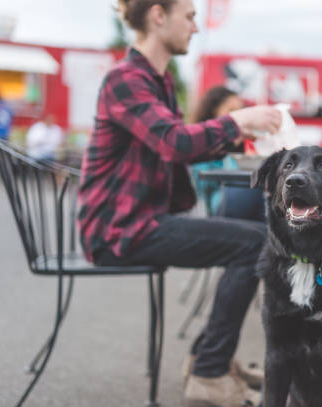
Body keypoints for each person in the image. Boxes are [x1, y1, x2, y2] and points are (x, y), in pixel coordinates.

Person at [76, 1, 281, 406]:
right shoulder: (124, 79)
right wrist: (240, 120)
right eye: (188, 16)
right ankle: (209, 369)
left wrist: (236, 143)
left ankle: (208, 359)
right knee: (258, 243)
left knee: (258, 238)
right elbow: (174, 142)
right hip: (117, 230)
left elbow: (174, 145)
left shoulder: (157, 80)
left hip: (140, 221)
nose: (195, 27)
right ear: (158, 15)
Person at [190, 85, 266, 221]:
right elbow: (200, 182)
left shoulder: (242, 146)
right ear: (213, 114)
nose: (238, 117)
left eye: (240, 111)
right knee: (253, 192)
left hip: (237, 206)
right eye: (231, 111)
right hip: (213, 206)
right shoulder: (200, 145)